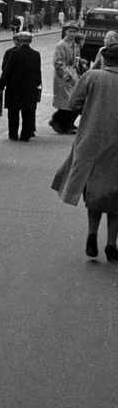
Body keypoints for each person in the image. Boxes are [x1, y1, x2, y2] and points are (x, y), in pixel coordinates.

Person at [52, 43, 118, 262]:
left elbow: (74, 102)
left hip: (91, 140)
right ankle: (111, 244)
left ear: (106, 59)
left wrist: (92, 108)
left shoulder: (92, 76)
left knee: (94, 192)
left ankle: (92, 235)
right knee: (114, 195)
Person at [0, 31, 42, 141]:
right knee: (27, 112)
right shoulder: (36, 54)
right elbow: (38, 71)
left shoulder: (14, 53)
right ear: (30, 41)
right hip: (29, 88)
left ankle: (13, 134)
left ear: (20, 41)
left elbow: (7, 70)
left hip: (14, 87)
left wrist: (1, 85)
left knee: (13, 112)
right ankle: (25, 134)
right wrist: (38, 84)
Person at [50, 22, 81, 135]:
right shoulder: (61, 45)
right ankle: (59, 123)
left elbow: (76, 60)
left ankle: (67, 123)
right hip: (63, 77)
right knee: (67, 101)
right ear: (65, 32)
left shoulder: (75, 45)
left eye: (74, 31)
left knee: (75, 100)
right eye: (70, 31)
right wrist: (67, 75)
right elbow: (58, 62)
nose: (72, 34)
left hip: (74, 75)